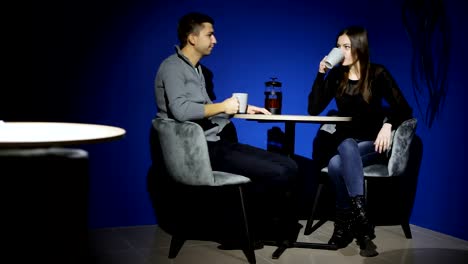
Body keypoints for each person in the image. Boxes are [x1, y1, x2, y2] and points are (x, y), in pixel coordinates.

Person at [154, 12, 299, 248]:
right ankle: (243, 229)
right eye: (210, 34)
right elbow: (181, 111)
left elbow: (204, 109)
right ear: (192, 38)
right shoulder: (172, 67)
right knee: (280, 172)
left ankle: (252, 226)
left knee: (290, 165)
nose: (215, 40)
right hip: (198, 151)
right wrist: (223, 105)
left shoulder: (198, 70)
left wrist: (242, 109)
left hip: (214, 143)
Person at [307, 26, 413, 257]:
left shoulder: (377, 73)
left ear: (359, 48)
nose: (341, 51)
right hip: (348, 145)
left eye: (346, 47)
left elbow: (404, 108)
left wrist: (388, 125)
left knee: (342, 152)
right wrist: (320, 73)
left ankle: (344, 224)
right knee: (340, 156)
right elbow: (313, 109)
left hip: (373, 145)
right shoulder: (336, 76)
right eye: (338, 47)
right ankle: (360, 218)